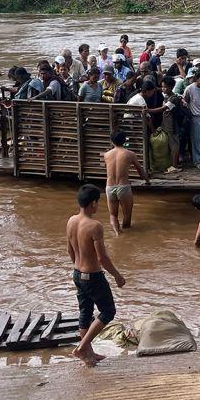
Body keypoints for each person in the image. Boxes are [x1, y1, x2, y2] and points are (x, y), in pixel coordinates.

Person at [67, 184, 125, 367]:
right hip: (92, 276)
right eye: (98, 202)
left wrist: (78, 268)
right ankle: (82, 347)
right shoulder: (94, 226)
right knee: (108, 311)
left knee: (86, 312)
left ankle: (88, 354)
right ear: (93, 203)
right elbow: (102, 258)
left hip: (77, 273)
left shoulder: (71, 221)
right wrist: (117, 276)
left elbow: (69, 250)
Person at [102, 130, 149, 235]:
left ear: (112, 141)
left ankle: (117, 234)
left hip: (109, 187)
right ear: (124, 141)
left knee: (113, 215)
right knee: (127, 215)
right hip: (123, 187)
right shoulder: (130, 154)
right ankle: (127, 235)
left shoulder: (106, 155)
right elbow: (140, 171)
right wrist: (147, 180)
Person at [183, 70, 200, 169]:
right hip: (194, 116)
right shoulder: (190, 88)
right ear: (197, 79)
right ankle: (197, 161)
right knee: (196, 140)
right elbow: (184, 100)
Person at [159, 76, 184, 172]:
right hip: (167, 124)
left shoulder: (173, 98)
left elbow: (163, 109)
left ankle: (175, 166)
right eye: (162, 87)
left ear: (171, 87)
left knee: (174, 146)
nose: (163, 89)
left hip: (172, 125)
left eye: (165, 87)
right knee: (171, 145)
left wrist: (149, 110)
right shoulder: (167, 97)